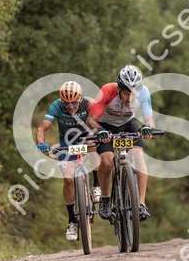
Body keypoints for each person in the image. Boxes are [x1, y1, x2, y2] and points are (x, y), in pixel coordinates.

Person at [87, 65, 155, 221]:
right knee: (107, 161)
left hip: (128, 124)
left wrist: (148, 128)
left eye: (134, 94)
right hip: (105, 127)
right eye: (126, 93)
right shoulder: (107, 90)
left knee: (139, 157)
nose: (130, 98)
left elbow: (149, 118)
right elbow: (91, 120)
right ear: (119, 89)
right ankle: (105, 199)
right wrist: (99, 131)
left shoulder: (144, 92)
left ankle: (141, 204)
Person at [36, 81, 100, 241]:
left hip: (87, 137)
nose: (70, 107)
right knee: (68, 180)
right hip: (67, 142)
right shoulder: (57, 106)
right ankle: (72, 221)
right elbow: (42, 128)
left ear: (80, 98)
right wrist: (41, 143)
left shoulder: (89, 103)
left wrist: (101, 133)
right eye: (67, 103)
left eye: (73, 103)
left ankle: (97, 184)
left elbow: (101, 121)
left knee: (93, 146)